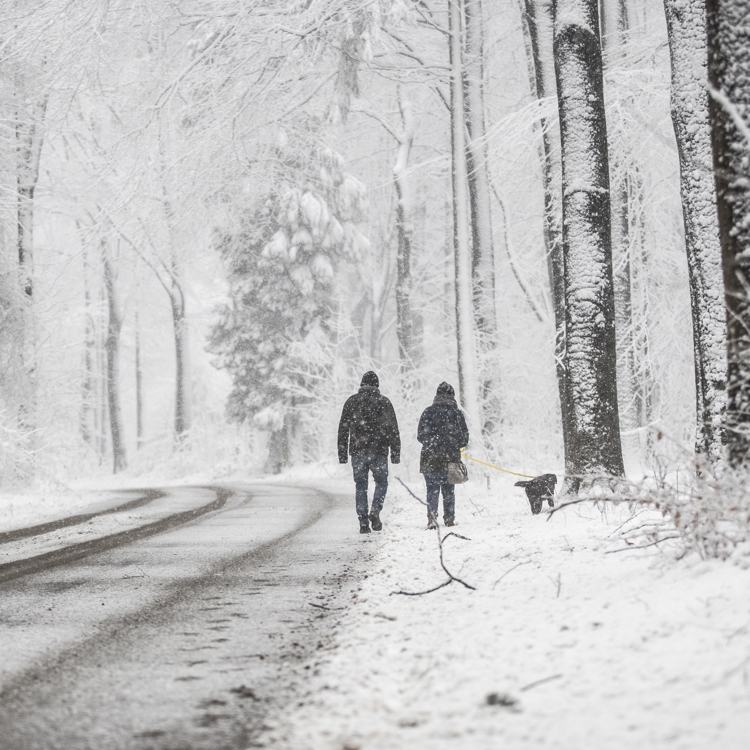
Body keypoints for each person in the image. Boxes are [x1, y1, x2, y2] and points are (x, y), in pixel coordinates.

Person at [338, 371, 401, 534]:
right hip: (379, 451)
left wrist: (342, 452)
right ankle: (375, 510)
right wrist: (395, 452)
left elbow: (343, 429)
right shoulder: (384, 402)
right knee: (381, 483)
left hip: (358, 451)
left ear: (361, 384)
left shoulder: (352, 402)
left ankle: (363, 522)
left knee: (361, 486)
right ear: (377, 385)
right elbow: (393, 429)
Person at [417, 382, 469, 529]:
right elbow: (464, 438)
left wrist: (433, 443)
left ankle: (432, 518)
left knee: (432, 489)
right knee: (448, 489)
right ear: (452, 396)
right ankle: (450, 519)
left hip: (430, 456)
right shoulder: (457, 413)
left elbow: (420, 436)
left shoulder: (428, 412)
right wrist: (453, 443)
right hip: (450, 456)